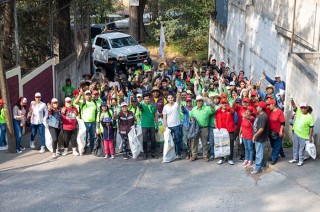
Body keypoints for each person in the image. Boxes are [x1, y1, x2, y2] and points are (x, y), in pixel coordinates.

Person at [189, 95, 215, 162]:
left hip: (204, 128)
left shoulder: (207, 108)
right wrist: (191, 119)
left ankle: (205, 155)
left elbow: (213, 110)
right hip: (195, 128)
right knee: (194, 142)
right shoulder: (194, 109)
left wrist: (209, 101)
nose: (199, 102)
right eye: (198, 101)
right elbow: (191, 117)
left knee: (204, 142)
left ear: (202, 101)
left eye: (200, 101)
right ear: (196, 102)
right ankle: (194, 155)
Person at [289, 98, 314, 166]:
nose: (303, 109)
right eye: (301, 108)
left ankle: (301, 160)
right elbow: (293, 105)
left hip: (303, 135)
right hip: (296, 133)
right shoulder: (298, 111)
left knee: (301, 148)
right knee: (295, 146)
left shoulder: (310, 117)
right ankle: (295, 158)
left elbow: (311, 128)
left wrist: (310, 137)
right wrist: (291, 99)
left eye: (304, 108)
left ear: (307, 108)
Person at [74, 89, 98, 153]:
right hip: (85, 123)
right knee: (85, 137)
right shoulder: (83, 102)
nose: (88, 96)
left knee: (92, 136)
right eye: (87, 95)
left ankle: (92, 149)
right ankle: (84, 149)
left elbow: (96, 111)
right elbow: (75, 102)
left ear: (91, 95)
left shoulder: (94, 102)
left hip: (93, 122)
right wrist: (80, 94)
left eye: (89, 95)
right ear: (85, 96)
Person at [215, 98, 236, 165]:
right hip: (221, 130)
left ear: (227, 103)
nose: (224, 104)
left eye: (225, 103)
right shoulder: (218, 110)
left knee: (231, 144)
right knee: (221, 144)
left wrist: (229, 107)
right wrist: (216, 127)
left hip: (230, 130)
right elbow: (215, 119)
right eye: (222, 103)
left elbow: (233, 112)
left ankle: (230, 158)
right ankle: (221, 158)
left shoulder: (230, 109)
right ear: (220, 104)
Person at [251, 101, 269, 174]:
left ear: (261, 108)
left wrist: (255, 135)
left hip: (260, 138)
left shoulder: (263, 116)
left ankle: (258, 168)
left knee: (259, 153)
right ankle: (261, 164)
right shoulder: (259, 115)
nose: (256, 107)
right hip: (258, 138)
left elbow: (261, 129)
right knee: (259, 152)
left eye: (258, 106)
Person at [163, 93, 182, 159]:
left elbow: (178, 100)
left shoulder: (176, 104)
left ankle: (178, 153)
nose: (170, 99)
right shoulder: (165, 107)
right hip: (169, 126)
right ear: (167, 99)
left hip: (177, 125)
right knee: (169, 141)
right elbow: (164, 118)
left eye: (171, 98)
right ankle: (171, 154)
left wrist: (178, 94)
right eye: (169, 98)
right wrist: (166, 127)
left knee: (177, 140)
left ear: (173, 98)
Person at [139, 93, 158, 159]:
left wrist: (157, 125)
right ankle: (145, 153)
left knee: (153, 139)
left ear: (150, 99)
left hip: (152, 125)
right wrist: (140, 107)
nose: (147, 100)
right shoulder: (142, 105)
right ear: (143, 100)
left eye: (148, 99)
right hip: (144, 125)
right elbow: (140, 109)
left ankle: (153, 153)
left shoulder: (153, 106)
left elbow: (156, 115)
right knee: (145, 140)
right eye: (145, 99)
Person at [266, 99, 285, 165]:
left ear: (273, 104)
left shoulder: (279, 111)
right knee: (273, 145)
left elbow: (282, 123)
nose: (268, 106)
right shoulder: (270, 111)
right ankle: (281, 154)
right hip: (271, 132)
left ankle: (273, 158)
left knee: (277, 145)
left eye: (269, 105)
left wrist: (280, 131)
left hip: (278, 132)